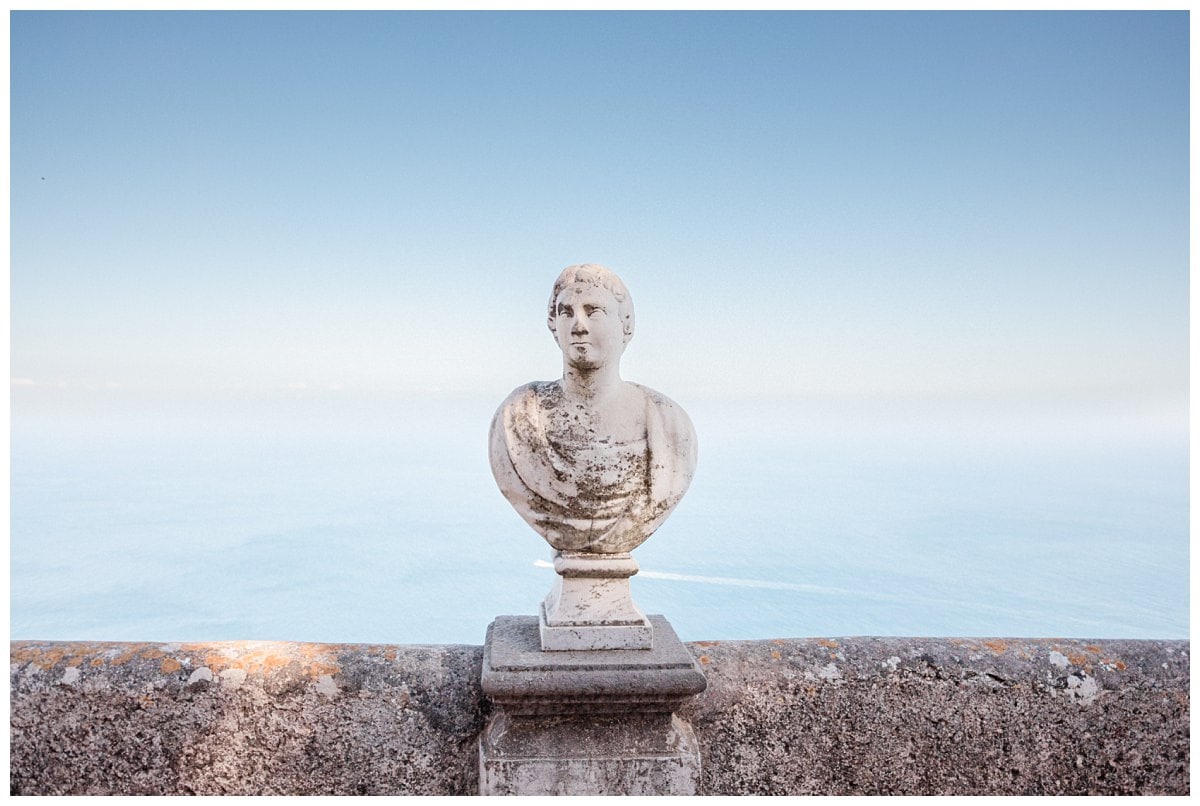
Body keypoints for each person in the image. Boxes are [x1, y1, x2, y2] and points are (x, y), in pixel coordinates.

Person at [489, 264, 697, 554]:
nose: (579, 325)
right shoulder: (518, 417)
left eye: (594, 311)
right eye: (566, 312)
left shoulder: (668, 423)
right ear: (553, 324)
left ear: (625, 324)